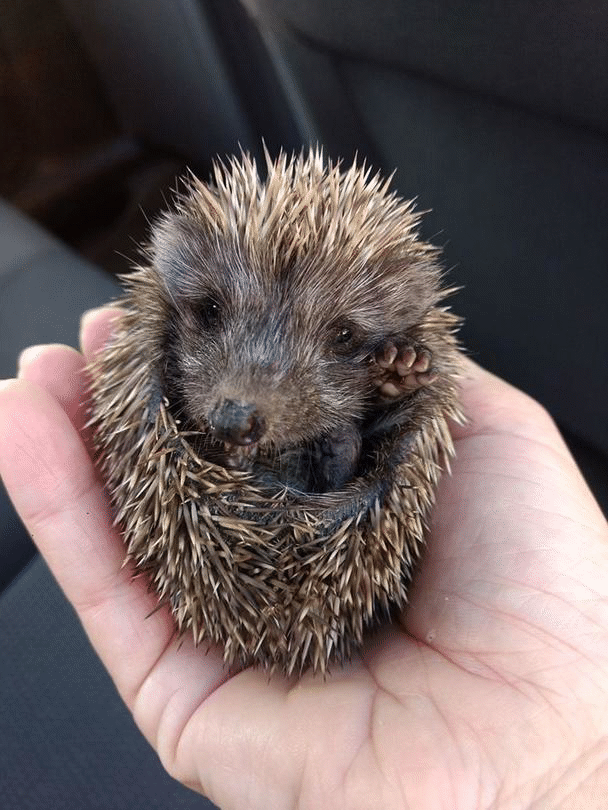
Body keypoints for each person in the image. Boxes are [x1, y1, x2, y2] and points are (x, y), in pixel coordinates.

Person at [1, 305, 607, 810]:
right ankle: (311, 457)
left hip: (331, 528)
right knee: (266, 450)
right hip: (248, 522)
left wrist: (570, 776)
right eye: (214, 313)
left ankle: (312, 458)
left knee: (354, 461)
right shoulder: (182, 325)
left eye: (340, 336)